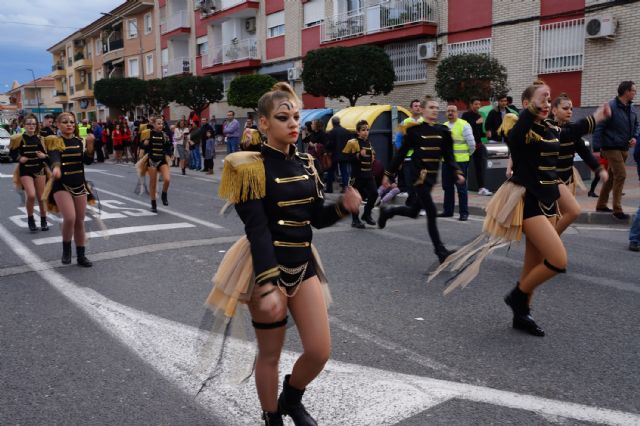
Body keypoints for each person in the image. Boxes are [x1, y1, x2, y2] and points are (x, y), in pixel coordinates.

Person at [206, 82, 361, 425]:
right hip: (266, 266)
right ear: (263, 123)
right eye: (282, 117)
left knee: (320, 351)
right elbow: (257, 230)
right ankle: (271, 416)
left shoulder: (307, 164)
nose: (293, 124)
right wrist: (267, 284)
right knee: (270, 354)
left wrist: (344, 208)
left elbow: (317, 219)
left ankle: (291, 398)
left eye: (295, 116)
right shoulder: (249, 167)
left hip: (303, 264)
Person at [378, 96, 464, 263]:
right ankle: (440, 251)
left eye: (436, 107)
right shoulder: (414, 131)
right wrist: (388, 174)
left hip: (431, 178)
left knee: (413, 211)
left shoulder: (444, 132)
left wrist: (457, 172)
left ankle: (388, 211)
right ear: (423, 110)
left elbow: (449, 156)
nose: (434, 110)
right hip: (418, 177)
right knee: (431, 211)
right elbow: (401, 154)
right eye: (431, 107)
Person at [550, 93, 609, 234]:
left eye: (571, 109)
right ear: (554, 110)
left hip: (567, 179)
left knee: (562, 216)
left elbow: (584, 151)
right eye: (565, 108)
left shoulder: (572, 129)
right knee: (559, 215)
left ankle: (549, 245)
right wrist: (595, 118)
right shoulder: (547, 127)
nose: (569, 111)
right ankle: (549, 244)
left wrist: (598, 169)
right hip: (549, 181)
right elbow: (567, 133)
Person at [42, 112, 95, 266]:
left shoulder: (79, 141)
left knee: (80, 221)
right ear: (58, 125)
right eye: (65, 122)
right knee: (70, 218)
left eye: (72, 122)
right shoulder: (55, 142)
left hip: (79, 184)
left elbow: (88, 161)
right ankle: (66, 249)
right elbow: (54, 157)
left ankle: (81, 255)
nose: (69, 124)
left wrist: (91, 146)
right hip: (61, 185)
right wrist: (56, 168)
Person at [595, 81, 639, 220]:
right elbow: (599, 128)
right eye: (633, 90)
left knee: (612, 176)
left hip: (624, 147)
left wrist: (634, 137)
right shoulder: (611, 107)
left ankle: (601, 204)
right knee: (621, 174)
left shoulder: (632, 108)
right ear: (626, 91)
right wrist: (596, 148)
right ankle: (617, 209)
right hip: (610, 146)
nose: (635, 93)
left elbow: (637, 124)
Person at [9, 114, 50, 232]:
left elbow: (49, 156)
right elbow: (12, 153)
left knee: (41, 197)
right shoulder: (19, 139)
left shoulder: (41, 139)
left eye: (33, 123)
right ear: (24, 125)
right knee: (31, 195)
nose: (31, 126)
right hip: (25, 170)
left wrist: (44, 156)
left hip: (40, 170)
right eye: (28, 123)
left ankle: (43, 220)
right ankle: (31, 219)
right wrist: (19, 158)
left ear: (36, 125)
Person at [441, 105, 476, 221]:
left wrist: (467, 155)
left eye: (453, 111)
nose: (450, 113)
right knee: (447, 187)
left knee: (461, 188)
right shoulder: (444, 126)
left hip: (460, 161)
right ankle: (448, 211)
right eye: (448, 111)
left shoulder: (464, 125)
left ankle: (464, 213)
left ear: (457, 113)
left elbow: (472, 144)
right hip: (446, 162)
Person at [342, 119, 378, 228]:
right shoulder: (352, 142)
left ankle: (366, 214)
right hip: (357, 176)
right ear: (358, 132)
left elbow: (371, 156)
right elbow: (344, 157)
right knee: (356, 198)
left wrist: (372, 157)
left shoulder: (368, 142)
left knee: (374, 194)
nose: (366, 132)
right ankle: (355, 220)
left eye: (367, 130)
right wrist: (358, 155)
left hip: (368, 174)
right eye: (363, 130)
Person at [140, 117, 173, 212]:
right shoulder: (148, 133)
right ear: (154, 124)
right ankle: (153, 203)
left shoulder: (164, 135)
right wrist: (144, 144)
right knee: (153, 183)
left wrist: (170, 154)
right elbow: (141, 146)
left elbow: (168, 146)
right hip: (152, 161)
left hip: (162, 160)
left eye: (162, 123)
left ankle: (164, 194)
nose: (161, 125)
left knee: (167, 179)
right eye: (159, 123)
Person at [461, 98, 493, 196]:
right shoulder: (465, 115)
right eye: (475, 104)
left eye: (479, 104)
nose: (478, 106)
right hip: (468, 145)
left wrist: (486, 134)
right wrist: (476, 123)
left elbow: (478, 132)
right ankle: (462, 187)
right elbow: (465, 129)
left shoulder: (480, 116)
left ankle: (481, 188)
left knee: (480, 166)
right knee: (464, 166)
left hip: (478, 144)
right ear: (471, 105)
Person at [325, 116, 352, 193]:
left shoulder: (331, 132)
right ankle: (345, 188)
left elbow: (329, 144)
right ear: (339, 122)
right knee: (344, 172)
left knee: (330, 172)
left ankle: (329, 189)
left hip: (334, 155)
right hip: (344, 155)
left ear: (332, 123)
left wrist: (327, 151)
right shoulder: (346, 131)